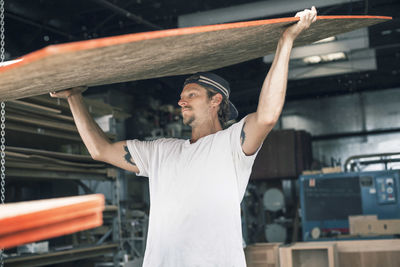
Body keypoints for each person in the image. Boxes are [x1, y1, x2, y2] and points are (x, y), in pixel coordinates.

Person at [51, 6, 317, 267]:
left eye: (191, 95)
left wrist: (286, 41)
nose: (181, 101)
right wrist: (74, 97)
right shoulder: (160, 151)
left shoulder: (232, 144)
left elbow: (268, 115)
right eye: (181, 96)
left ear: (215, 100)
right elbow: (100, 150)